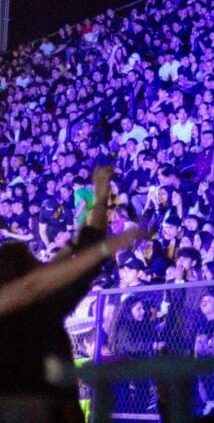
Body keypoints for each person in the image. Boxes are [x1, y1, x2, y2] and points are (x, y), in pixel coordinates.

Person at [0, 166, 140, 422]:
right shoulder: (43, 311)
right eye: (34, 263)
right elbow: (91, 249)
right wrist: (99, 194)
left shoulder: (41, 308)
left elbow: (87, 246)